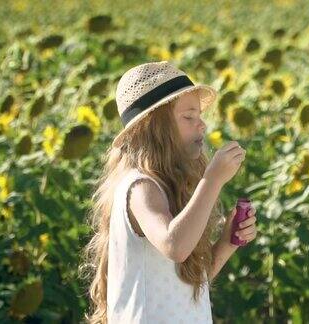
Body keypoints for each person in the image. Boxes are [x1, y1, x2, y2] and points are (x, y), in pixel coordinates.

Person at [80, 61, 258, 323]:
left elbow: (191, 280)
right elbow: (175, 246)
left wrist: (228, 242)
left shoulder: (168, 187)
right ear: (154, 127)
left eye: (200, 117)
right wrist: (212, 180)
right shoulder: (140, 188)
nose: (202, 126)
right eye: (189, 117)